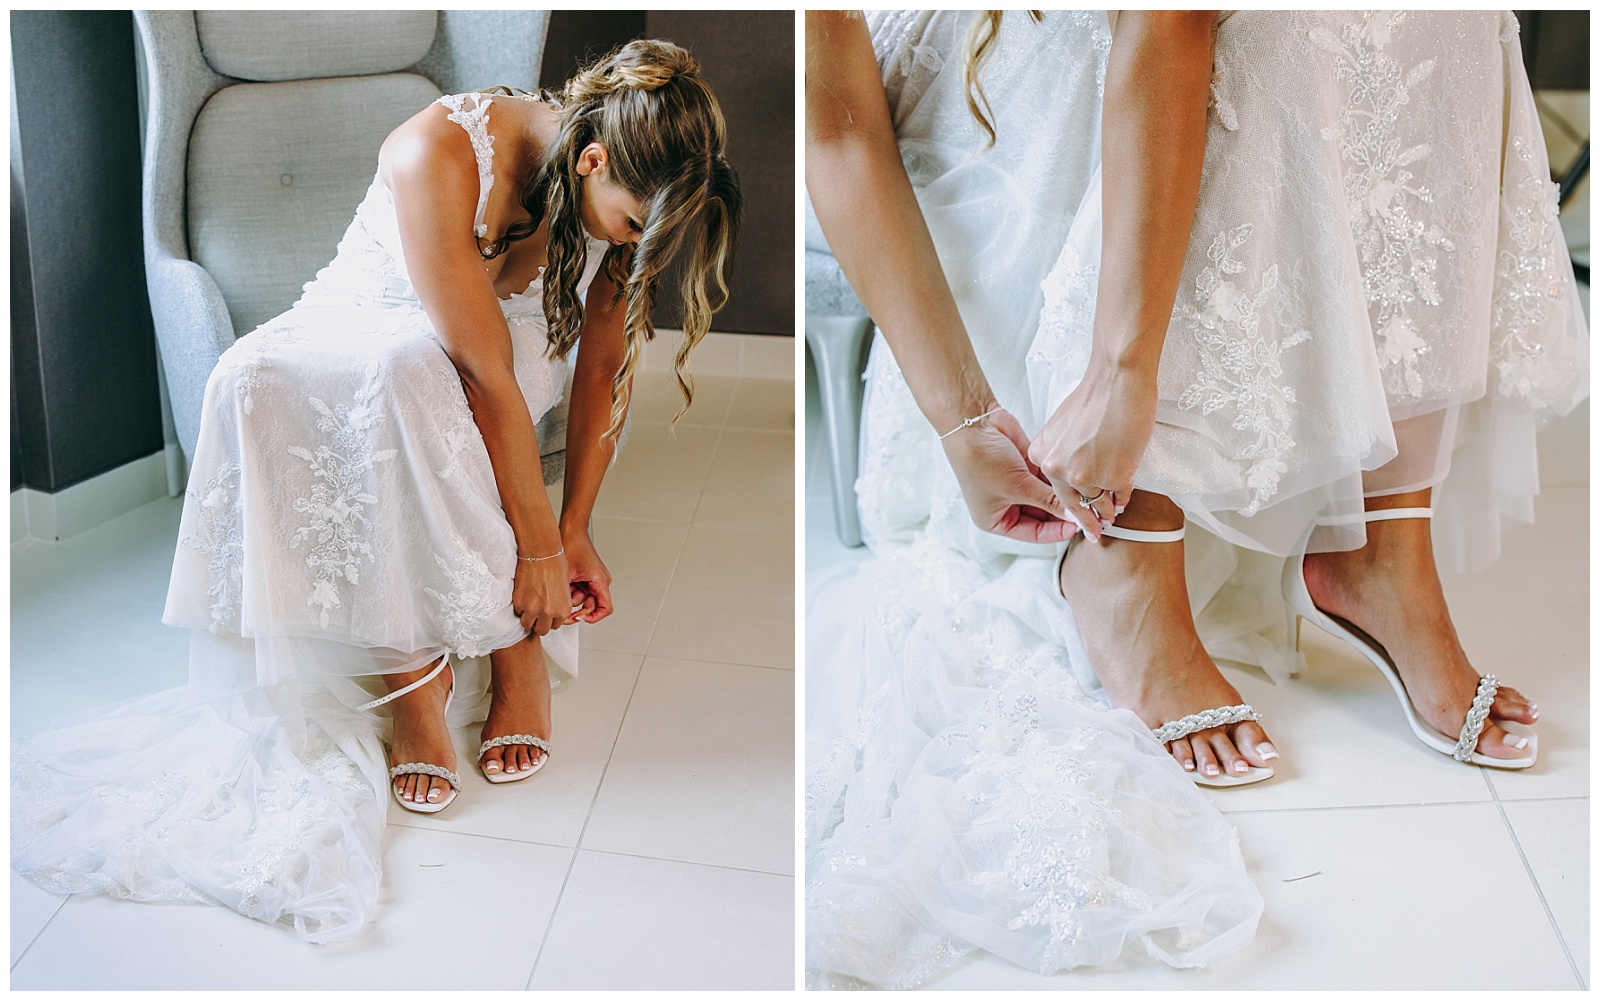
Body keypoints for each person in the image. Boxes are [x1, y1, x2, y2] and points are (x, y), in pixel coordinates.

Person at [806, 8, 1585, 988]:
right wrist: (979, 415)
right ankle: (1125, 537)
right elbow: (832, 125)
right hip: (1000, 70)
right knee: (1248, 42)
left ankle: (1384, 545)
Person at [13, 39, 740, 942]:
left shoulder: (633, 185)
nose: (630, 245)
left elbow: (597, 365)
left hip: (509, 347)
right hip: (362, 318)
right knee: (248, 374)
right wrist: (538, 550)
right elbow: (473, 368)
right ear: (592, 161)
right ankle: (416, 669)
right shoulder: (436, 150)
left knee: (407, 374)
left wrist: (575, 526)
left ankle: (508, 647)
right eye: (629, 226)